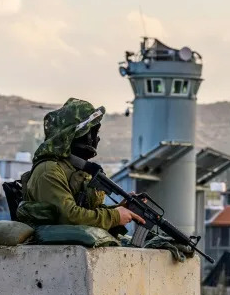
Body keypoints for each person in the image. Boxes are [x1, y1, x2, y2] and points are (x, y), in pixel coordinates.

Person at [16, 98, 145, 230]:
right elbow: (69, 217)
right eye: (93, 133)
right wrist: (114, 216)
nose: (96, 139)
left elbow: (87, 212)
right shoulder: (49, 171)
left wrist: (120, 209)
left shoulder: (75, 170)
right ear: (75, 135)